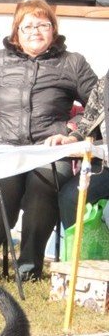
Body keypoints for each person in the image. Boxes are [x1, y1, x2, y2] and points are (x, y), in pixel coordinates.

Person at [0, 0, 96, 281]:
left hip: (50, 153)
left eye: (43, 25)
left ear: (54, 30)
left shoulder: (73, 63)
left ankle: (28, 269)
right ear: (16, 32)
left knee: (42, 191)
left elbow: (98, 106)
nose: (35, 31)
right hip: (2, 149)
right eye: (28, 26)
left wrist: (71, 133)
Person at [45, 73, 109, 229]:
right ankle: (81, 252)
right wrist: (72, 139)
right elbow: (88, 120)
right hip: (106, 166)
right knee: (70, 198)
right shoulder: (105, 82)